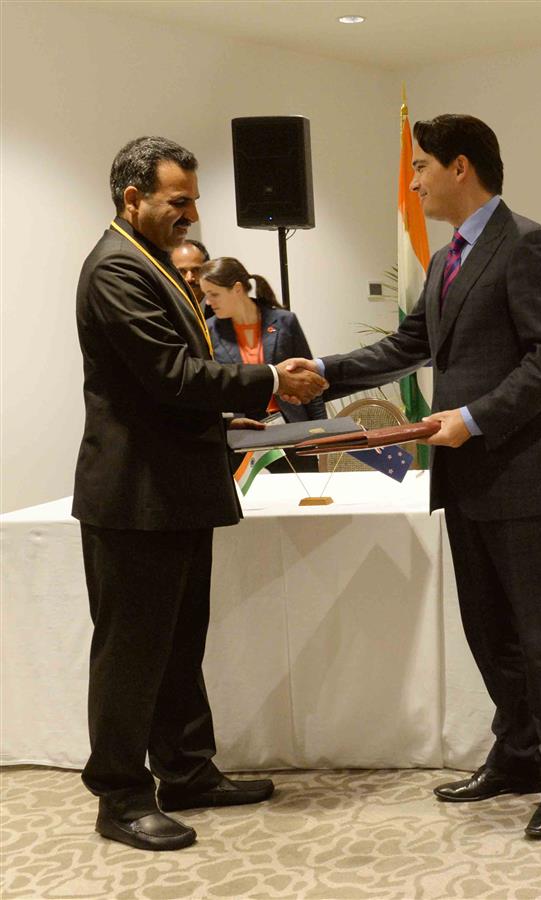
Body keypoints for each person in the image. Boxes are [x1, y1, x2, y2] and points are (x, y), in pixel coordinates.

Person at [282, 114, 541, 839]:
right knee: (490, 631)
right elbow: (411, 344)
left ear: (461, 167)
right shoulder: (452, 256)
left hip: (520, 475)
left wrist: (475, 417)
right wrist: (325, 370)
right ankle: (517, 753)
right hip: (465, 479)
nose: (414, 179)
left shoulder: (528, 245)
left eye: (422, 165)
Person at [73, 136, 327, 851]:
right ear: (133, 198)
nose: (191, 213)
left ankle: (186, 772)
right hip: (135, 499)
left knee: (177, 645)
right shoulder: (116, 268)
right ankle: (120, 797)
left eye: (193, 199)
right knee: (131, 654)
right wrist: (274, 381)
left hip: (173, 490)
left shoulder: (149, 261)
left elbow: (173, 387)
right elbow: (171, 376)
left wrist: (227, 412)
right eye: (177, 200)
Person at [202, 256, 326, 471]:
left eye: (214, 294)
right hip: (244, 435)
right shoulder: (209, 330)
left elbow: (310, 379)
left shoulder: (285, 321)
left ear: (237, 289)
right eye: (206, 295)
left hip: (292, 429)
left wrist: (321, 430)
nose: (209, 302)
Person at [171, 238, 210, 319]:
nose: (189, 278)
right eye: (181, 271)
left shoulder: (224, 310)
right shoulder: (163, 312)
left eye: (196, 270)